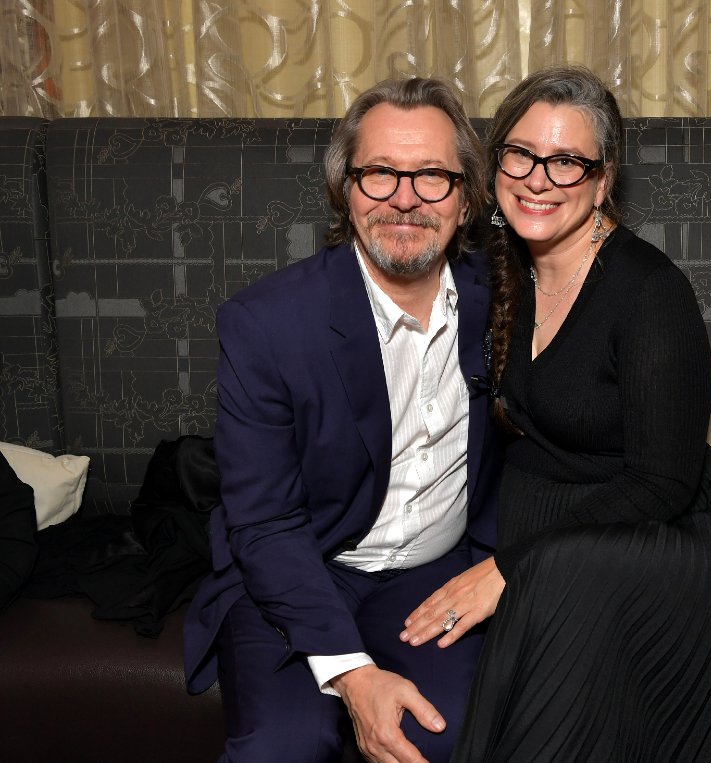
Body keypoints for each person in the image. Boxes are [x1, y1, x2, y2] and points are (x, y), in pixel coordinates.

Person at [400, 66, 711, 761]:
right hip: (560, 541)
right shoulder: (502, 266)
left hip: (665, 539)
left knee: (557, 620)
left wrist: (515, 566)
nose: (537, 178)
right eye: (521, 154)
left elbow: (663, 483)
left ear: (603, 177)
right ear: (496, 160)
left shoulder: (651, 292)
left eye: (567, 161)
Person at [183, 77, 502, 763]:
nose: (405, 198)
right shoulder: (265, 324)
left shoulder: (504, 303)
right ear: (345, 190)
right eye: (380, 173)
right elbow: (263, 523)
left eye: (433, 177)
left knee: (444, 741)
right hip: (299, 565)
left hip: (432, 571)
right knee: (283, 748)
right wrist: (354, 676)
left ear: (468, 197)